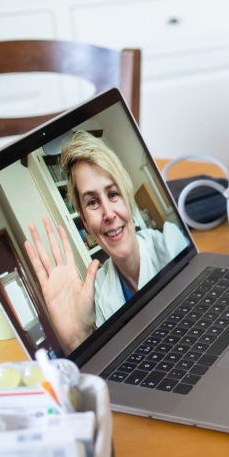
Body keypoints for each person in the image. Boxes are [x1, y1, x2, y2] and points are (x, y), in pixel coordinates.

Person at [24, 131, 187, 352]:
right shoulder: (99, 291)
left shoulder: (171, 244)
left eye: (112, 194)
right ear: (84, 221)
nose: (108, 213)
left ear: (127, 199)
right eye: (92, 202)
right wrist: (76, 340)